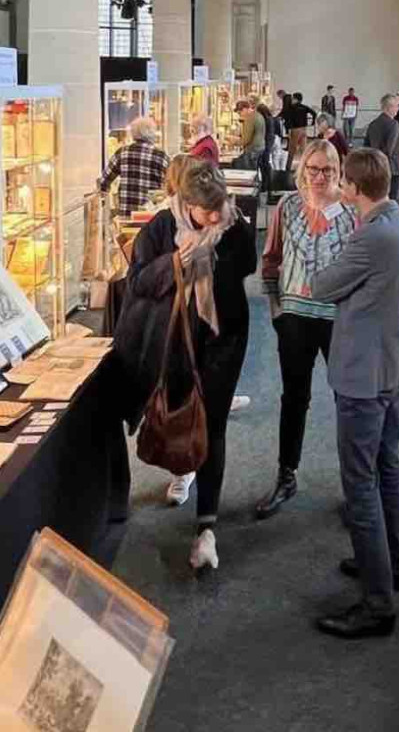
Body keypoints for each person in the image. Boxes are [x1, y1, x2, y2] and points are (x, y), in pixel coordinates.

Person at [115, 160, 258, 568]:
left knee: (213, 423)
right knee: (181, 408)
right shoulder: (161, 227)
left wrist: (215, 254)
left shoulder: (235, 225)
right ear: (186, 203)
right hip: (175, 337)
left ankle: (207, 527)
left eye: (220, 207)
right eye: (206, 211)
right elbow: (140, 282)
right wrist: (178, 261)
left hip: (224, 335)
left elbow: (246, 265)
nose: (216, 216)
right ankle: (183, 467)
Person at [310, 148, 399, 639]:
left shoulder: (370, 236)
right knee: (387, 465)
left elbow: (321, 286)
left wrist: (330, 240)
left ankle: (378, 604)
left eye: (343, 184)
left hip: (363, 372)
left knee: (359, 484)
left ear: (353, 188)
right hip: (394, 362)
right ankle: (390, 562)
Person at [257, 140, 357, 520]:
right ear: (302, 170)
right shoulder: (287, 206)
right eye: (313, 170)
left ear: (338, 171)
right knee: (294, 397)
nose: (319, 177)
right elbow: (270, 259)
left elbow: (360, 265)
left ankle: (356, 484)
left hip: (337, 318)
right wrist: (276, 310)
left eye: (327, 170)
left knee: (347, 401)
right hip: (294, 316)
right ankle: (286, 474)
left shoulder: (350, 209)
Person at [99, 117, 169, 217]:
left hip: (127, 216)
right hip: (151, 216)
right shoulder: (161, 156)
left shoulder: (122, 153)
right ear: (152, 133)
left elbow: (104, 180)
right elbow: (172, 184)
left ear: (133, 133)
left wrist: (104, 197)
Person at [364, 94, 399, 203]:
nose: (398, 109)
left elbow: (366, 147)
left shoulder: (373, 124)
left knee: (379, 198)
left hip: (376, 167)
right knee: (393, 198)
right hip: (392, 168)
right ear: (389, 107)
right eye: (396, 106)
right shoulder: (393, 124)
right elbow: (390, 149)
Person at [287, 92, 317, 170]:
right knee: (303, 149)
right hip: (304, 129)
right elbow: (314, 113)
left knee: (292, 150)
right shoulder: (304, 107)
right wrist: (312, 122)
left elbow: (289, 120)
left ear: (296, 99)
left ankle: (288, 167)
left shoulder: (291, 108)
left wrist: (288, 130)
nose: (292, 100)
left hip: (295, 130)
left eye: (293, 98)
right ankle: (306, 166)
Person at [234, 99, 265, 170]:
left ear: (244, 109)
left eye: (240, 113)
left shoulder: (249, 118)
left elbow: (246, 139)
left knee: (249, 172)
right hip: (260, 147)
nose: (240, 115)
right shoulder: (258, 115)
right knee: (255, 170)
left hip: (252, 149)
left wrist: (234, 142)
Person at [256, 103, 278, 196]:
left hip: (266, 142)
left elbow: (263, 133)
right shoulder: (270, 118)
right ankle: (267, 184)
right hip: (269, 141)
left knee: (263, 163)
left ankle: (266, 184)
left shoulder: (265, 120)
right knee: (265, 163)